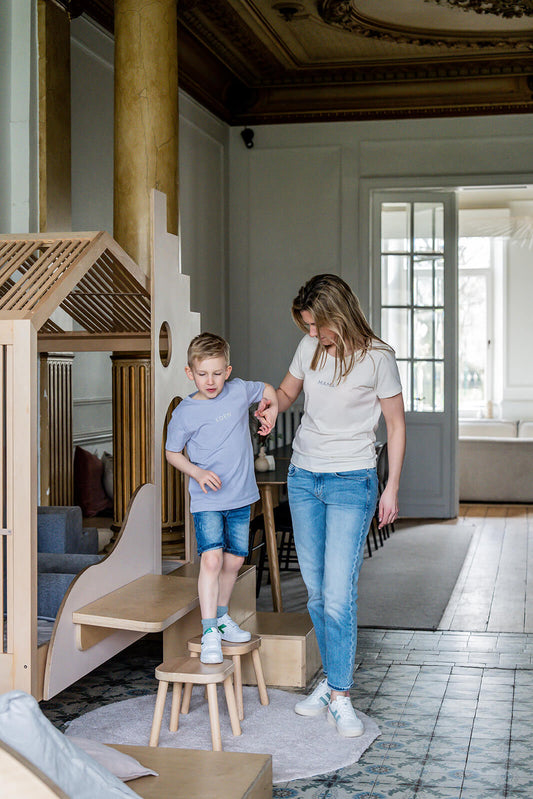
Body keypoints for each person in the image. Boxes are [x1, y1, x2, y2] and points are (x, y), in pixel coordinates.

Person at [266, 274, 405, 737]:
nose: (310, 335)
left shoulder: (378, 358)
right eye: (305, 326)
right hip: (304, 477)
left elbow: (396, 425)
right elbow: (287, 394)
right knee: (318, 592)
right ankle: (330, 682)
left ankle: (341, 694)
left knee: (340, 593)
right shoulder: (309, 349)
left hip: (352, 480)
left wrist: (391, 487)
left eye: (316, 325)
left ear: (338, 316)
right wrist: (271, 406)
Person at [165, 332, 278, 664]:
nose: (210, 381)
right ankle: (209, 629)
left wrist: (267, 409)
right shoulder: (185, 413)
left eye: (217, 373)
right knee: (212, 560)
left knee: (234, 562)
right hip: (208, 500)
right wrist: (198, 473)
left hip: (242, 496)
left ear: (228, 371)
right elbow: (172, 453)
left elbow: (267, 389)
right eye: (202, 374)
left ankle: (223, 617)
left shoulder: (240, 390)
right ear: (190, 373)